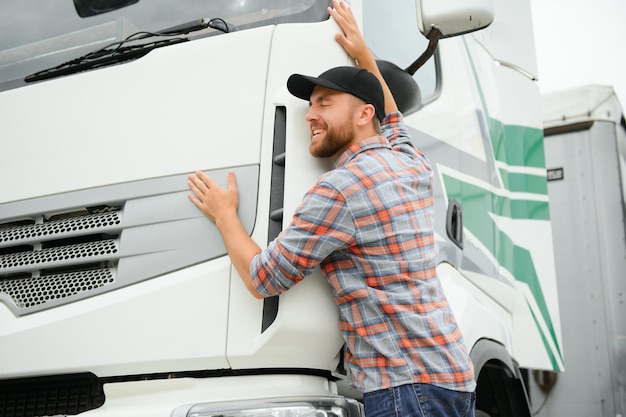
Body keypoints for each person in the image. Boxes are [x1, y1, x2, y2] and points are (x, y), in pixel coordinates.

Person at [188, 1, 476, 415]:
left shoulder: (341, 189)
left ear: (363, 113)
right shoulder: (411, 164)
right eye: (311, 104)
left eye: (324, 102)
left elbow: (263, 278)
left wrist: (225, 215)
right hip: (452, 377)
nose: (309, 115)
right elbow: (391, 117)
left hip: (404, 388)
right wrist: (362, 54)